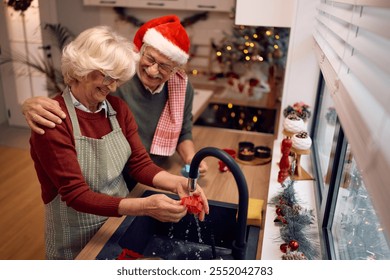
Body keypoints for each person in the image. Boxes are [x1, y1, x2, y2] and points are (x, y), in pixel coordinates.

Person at [29, 25, 209, 260]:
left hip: (118, 225)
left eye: (117, 79)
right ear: (82, 68)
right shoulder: (53, 119)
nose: (112, 87)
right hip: (77, 238)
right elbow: (76, 195)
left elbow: (139, 164)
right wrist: (145, 207)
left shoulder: (117, 109)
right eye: (107, 77)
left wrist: (178, 183)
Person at [22, 15, 208, 184]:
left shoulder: (181, 87)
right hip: (115, 174)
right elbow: (76, 97)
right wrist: (30, 104)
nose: (152, 70)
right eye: (150, 59)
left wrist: (192, 159)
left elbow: (184, 130)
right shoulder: (117, 78)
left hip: (153, 170)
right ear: (141, 50)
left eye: (164, 66)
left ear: (176, 69)